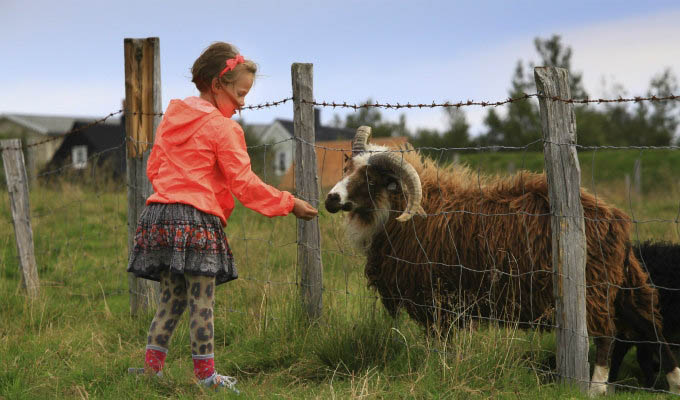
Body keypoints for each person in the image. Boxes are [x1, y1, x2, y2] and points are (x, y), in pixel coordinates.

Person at [126, 42, 318, 393]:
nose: (243, 103)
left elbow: (154, 167)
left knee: (171, 297)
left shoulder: (172, 117)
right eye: (240, 93)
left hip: (160, 213)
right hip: (196, 220)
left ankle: (150, 370)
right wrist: (289, 203)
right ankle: (206, 378)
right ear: (217, 85)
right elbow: (244, 184)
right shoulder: (223, 129)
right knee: (202, 298)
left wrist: (176, 192)